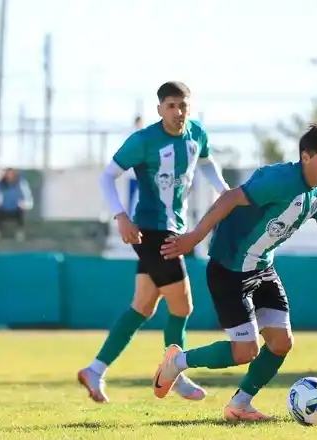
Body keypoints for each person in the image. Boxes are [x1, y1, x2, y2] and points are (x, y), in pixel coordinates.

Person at [154, 121, 317, 422]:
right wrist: (193, 237)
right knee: (245, 352)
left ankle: (239, 406)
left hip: (263, 268)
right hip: (229, 269)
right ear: (305, 157)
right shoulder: (280, 179)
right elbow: (229, 198)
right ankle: (177, 362)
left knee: (281, 343)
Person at [77, 81, 230, 403]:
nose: (177, 112)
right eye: (171, 106)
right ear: (159, 109)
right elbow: (107, 176)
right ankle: (175, 371)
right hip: (151, 231)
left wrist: (224, 190)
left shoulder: (197, 134)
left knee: (143, 306)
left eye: (182, 106)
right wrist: (121, 216)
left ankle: (95, 369)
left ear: (190, 107)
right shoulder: (144, 140)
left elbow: (205, 162)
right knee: (183, 304)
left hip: (172, 229)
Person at [0, 168, 34, 242]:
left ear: (14, 175)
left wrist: (24, 204)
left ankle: (20, 232)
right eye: (8, 174)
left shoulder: (21, 183)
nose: (9, 176)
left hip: (16, 208)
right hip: (3, 208)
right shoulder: (0, 184)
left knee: (21, 212)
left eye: (11, 174)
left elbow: (28, 197)